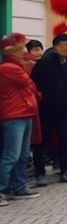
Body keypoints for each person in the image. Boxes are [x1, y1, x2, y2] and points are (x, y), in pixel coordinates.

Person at [0, 33, 41, 204]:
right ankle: (2, 189)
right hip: (14, 114)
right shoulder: (10, 68)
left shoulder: (15, 65)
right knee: (12, 155)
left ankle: (19, 187)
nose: (25, 50)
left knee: (22, 154)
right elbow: (30, 84)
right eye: (21, 47)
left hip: (23, 112)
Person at [31, 34, 67, 183]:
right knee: (42, 141)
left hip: (62, 109)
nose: (64, 48)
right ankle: (40, 174)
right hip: (45, 108)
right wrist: (41, 98)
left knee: (64, 140)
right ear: (55, 47)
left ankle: (64, 171)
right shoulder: (44, 63)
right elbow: (34, 82)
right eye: (61, 45)